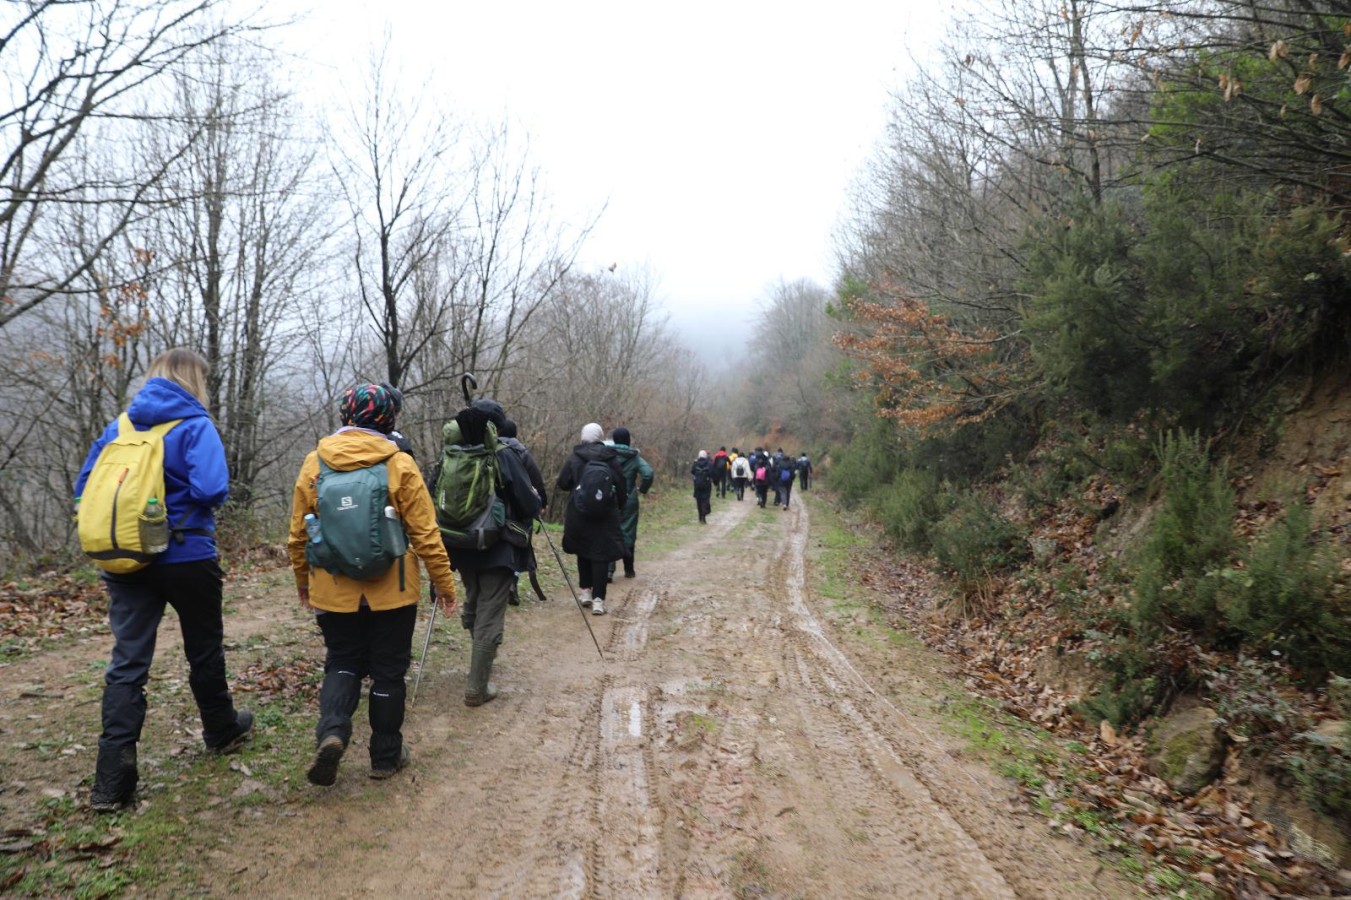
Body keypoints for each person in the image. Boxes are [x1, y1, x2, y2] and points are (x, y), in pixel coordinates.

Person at [75, 348, 253, 812]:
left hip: (127, 559)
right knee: (204, 646)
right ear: (195, 380)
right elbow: (212, 489)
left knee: (127, 663)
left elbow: (84, 488)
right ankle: (220, 730)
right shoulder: (195, 425)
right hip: (188, 553)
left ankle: (111, 782)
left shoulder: (121, 427)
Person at [288, 384, 460, 786]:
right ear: (390, 419)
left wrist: (303, 582)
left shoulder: (315, 464)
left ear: (345, 416)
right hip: (393, 592)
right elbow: (426, 535)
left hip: (333, 590)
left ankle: (332, 732)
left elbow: (298, 535)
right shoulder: (399, 464)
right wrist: (445, 584)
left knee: (342, 660)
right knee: (388, 672)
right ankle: (385, 756)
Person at [440, 399, 542, 704]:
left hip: (460, 544)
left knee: (474, 599)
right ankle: (477, 687)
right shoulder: (503, 454)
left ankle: (480, 661)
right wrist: (535, 503)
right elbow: (528, 501)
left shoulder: (450, 455)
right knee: (490, 612)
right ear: (494, 426)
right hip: (498, 547)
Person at [556, 422, 627, 615]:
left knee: (583, 550)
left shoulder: (575, 458)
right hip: (605, 514)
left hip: (579, 512)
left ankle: (585, 592)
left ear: (583, 436)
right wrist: (617, 506)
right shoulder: (610, 458)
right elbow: (622, 487)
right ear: (601, 437)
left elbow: (562, 483)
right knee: (601, 555)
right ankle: (598, 600)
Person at [497, 417, 548, 605]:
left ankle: (502, 584)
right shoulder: (521, 452)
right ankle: (513, 582)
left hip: (500, 509)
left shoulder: (491, 450)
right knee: (520, 546)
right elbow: (536, 479)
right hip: (521, 509)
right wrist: (541, 503)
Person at [607, 426, 654, 579]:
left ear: (614, 440)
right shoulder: (634, 457)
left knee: (610, 530)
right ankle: (629, 569)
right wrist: (643, 490)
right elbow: (648, 474)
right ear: (628, 440)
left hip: (610, 497)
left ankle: (609, 570)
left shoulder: (607, 455)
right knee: (628, 532)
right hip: (629, 498)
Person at [691, 450, 714, 523]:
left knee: (699, 501)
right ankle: (704, 516)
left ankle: (700, 517)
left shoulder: (696, 463)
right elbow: (711, 473)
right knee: (705, 500)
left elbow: (692, 471)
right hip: (706, 485)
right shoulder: (709, 463)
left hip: (697, 485)